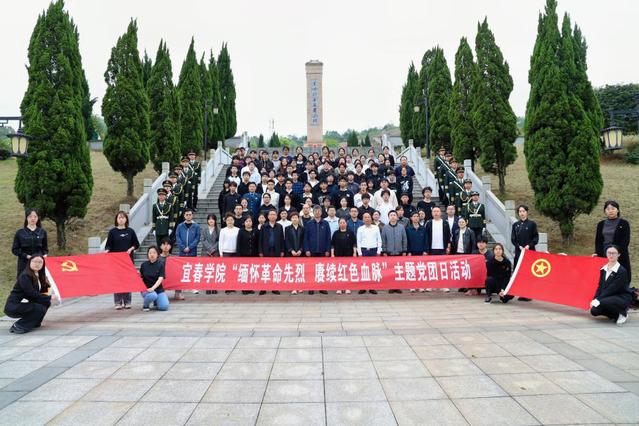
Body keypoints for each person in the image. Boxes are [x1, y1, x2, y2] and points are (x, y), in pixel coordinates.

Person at [4, 255, 56, 334]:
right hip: (14, 306)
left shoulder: (38, 274)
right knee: (39, 308)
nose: (37, 264)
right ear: (29, 262)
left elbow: (42, 291)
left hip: (25, 303)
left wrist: (49, 284)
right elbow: (30, 293)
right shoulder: (25, 275)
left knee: (45, 302)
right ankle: (18, 326)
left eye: (40, 262)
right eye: (35, 261)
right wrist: (49, 297)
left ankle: (35, 322)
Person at [590, 245, 633, 325]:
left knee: (602, 302)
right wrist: (595, 299)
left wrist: (598, 300)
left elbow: (612, 289)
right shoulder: (603, 269)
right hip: (608, 297)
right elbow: (600, 286)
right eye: (609, 253)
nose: (611, 255)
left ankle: (623, 313)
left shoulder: (622, 271)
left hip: (621, 297)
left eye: (614, 253)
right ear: (606, 254)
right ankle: (615, 314)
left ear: (618, 255)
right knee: (594, 311)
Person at [105, 211, 140, 309]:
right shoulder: (112, 232)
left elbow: (136, 244)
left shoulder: (130, 231)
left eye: (123, 217)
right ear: (116, 219)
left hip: (128, 261)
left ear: (126, 219)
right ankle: (118, 302)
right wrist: (107, 250)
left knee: (127, 281)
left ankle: (127, 302)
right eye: (119, 217)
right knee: (118, 281)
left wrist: (131, 249)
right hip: (116, 261)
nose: (121, 219)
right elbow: (108, 245)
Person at [594, 200, 631, 282]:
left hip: (619, 254)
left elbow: (625, 241)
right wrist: (597, 252)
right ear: (605, 211)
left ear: (617, 210)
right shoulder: (601, 224)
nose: (610, 211)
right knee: (605, 278)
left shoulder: (624, 223)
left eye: (613, 208)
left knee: (620, 278)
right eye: (608, 209)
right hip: (604, 254)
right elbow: (598, 241)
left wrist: (615, 251)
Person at [511, 204, 539, 302]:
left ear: (527, 212)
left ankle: (529, 294)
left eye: (523, 211)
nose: (522, 213)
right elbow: (513, 239)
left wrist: (529, 245)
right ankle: (522, 293)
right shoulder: (515, 225)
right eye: (520, 211)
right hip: (519, 252)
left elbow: (536, 238)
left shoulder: (532, 224)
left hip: (529, 253)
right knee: (520, 272)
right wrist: (518, 246)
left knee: (529, 273)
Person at [303, 205, 332, 295]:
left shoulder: (326, 223)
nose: (317, 212)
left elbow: (328, 238)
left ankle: (322, 288)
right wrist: (307, 249)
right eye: (315, 211)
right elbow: (306, 238)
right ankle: (311, 287)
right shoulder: (309, 223)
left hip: (323, 250)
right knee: (311, 270)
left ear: (321, 212)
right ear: (313, 212)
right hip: (312, 251)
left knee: (322, 270)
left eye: (319, 211)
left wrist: (328, 250)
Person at [12, 208, 48, 279]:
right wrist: (26, 256)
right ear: (26, 218)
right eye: (30, 216)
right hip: (24, 263)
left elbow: (45, 249)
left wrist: (44, 255)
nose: (33, 218)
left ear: (38, 218)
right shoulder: (20, 233)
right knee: (24, 283)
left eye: (35, 216)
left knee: (39, 283)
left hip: (38, 263)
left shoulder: (42, 232)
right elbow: (15, 249)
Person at [175, 209, 201, 300]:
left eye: (190, 214)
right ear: (184, 215)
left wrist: (189, 247)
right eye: (187, 214)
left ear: (192, 215)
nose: (188, 216)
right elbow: (177, 237)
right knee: (183, 269)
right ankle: (183, 287)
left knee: (193, 269)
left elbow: (197, 238)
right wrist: (183, 247)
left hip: (192, 251)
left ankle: (193, 287)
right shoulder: (180, 226)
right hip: (182, 252)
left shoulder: (196, 226)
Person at [258, 210, 284, 295]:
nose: (272, 216)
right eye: (271, 214)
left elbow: (282, 239)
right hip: (266, 251)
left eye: (274, 214)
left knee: (275, 270)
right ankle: (263, 288)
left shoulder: (279, 226)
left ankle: (274, 288)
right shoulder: (264, 226)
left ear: (276, 216)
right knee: (265, 270)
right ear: (268, 216)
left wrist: (282, 250)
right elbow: (260, 240)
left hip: (276, 251)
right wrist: (260, 251)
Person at [381, 210, 407, 294]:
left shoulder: (401, 227)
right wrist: (384, 251)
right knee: (390, 271)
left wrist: (404, 250)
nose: (393, 216)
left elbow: (404, 239)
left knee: (398, 271)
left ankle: (398, 286)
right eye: (391, 215)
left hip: (399, 252)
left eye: (394, 215)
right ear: (389, 217)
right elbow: (383, 240)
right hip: (389, 252)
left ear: (397, 217)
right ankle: (391, 286)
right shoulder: (385, 228)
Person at [356, 212, 381, 294]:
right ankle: (363, 287)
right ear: (363, 219)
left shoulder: (376, 228)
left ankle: (372, 287)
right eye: (365, 217)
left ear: (371, 218)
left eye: (368, 217)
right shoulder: (360, 229)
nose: (367, 219)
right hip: (364, 251)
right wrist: (359, 253)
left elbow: (379, 240)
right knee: (363, 269)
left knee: (373, 269)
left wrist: (378, 251)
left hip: (373, 250)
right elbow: (358, 241)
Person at [139, 246, 169, 311]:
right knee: (153, 295)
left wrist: (153, 288)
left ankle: (156, 301)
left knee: (164, 307)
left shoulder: (161, 265)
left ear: (157, 254)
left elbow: (160, 279)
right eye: (150, 253)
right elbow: (140, 277)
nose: (152, 254)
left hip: (158, 289)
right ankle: (145, 305)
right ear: (147, 254)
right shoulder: (144, 265)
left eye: (154, 253)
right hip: (146, 289)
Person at [331, 218, 357, 294]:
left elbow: (354, 244)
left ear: (346, 223)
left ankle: (347, 287)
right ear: (338, 224)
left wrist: (354, 253)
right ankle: (339, 287)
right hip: (338, 255)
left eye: (343, 222)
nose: (342, 224)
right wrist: (332, 254)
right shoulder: (336, 233)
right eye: (341, 223)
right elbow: (332, 245)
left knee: (347, 272)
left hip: (348, 255)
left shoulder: (350, 233)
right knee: (339, 271)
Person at [285, 212, 305, 295]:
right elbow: (287, 240)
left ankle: (300, 287)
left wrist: (301, 250)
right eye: (293, 218)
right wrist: (291, 250)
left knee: (299, 270)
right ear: (291, 219)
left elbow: (304, 240)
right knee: (292, 270)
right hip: (291, 253)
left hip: (300, 253)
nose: (294, 219)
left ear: (298, 219)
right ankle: (293, 287)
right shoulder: (287, 228)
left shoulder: (302, 228)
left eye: (296, 217)